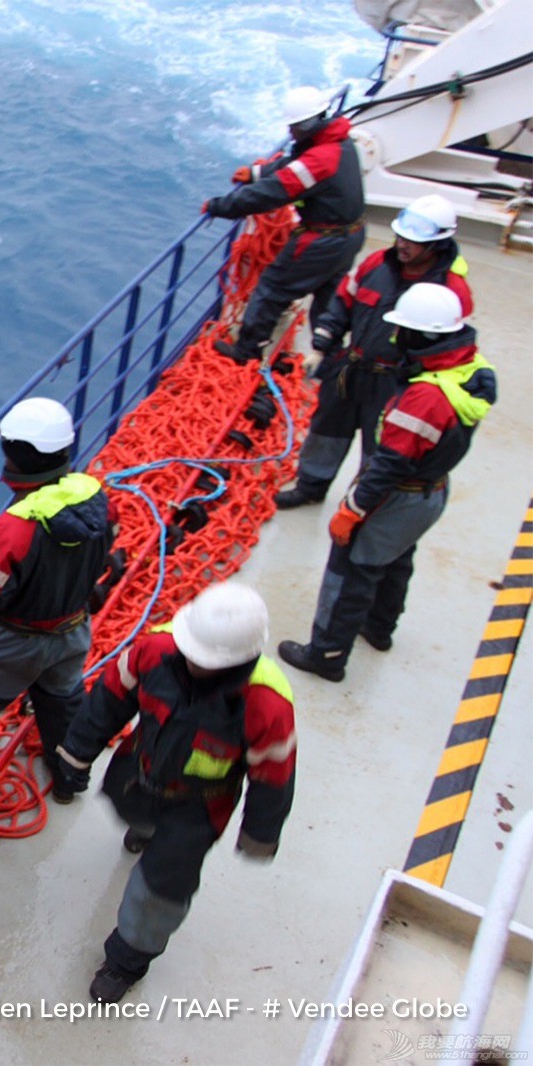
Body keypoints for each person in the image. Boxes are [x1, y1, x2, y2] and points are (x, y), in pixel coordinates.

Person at [54, 581, 296, 1004]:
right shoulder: (155, 651)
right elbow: (109, 700)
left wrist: (260, 834)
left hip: (199, 809)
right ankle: (145, 829)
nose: (194, 663)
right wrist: (77, 752)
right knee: (131, 812)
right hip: (140, 776)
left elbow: (274, 775)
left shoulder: (267, 703)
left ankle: (127, 960)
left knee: (161, 889)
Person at [278, 283, 496, 680]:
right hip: (430, 492)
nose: (396, 338)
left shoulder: (424, 400)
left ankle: (326, 655)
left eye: (403, 331)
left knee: (351, 572)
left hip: (395, 496)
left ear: (424, 336)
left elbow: (388, 466)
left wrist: (352, 510)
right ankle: (379, 629)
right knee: (396, 559)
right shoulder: (471, 369)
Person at [0, 398, 117, 804]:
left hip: (16, 643)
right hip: (74, 628)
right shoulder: (95, 499)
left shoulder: (12, 529)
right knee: (64, 701)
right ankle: (69, 777)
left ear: (15, 457)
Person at [276, 195, 475, 507]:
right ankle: (311, 487)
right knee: (326, 431)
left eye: (413, 241)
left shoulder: (450, 292)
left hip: (394, 384)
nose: (402, 245)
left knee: (380, 448)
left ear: (436, 244)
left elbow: (452, 347)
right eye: (401, 236)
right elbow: (343, 302)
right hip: (351, 370)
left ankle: (361, 502)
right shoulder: (375, 265)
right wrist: (321, 347)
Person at [203, 86, 365, 364]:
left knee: (272, 289)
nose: (290, 133)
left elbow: (272, 192)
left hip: (322, 241)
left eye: (294, 127)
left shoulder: (320, 161)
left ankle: (247, 352)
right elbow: (295, 164)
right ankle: (330, 356)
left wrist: (220, 206)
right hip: (351, 236)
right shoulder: (339, 143)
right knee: (328, 297)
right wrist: (257, 173)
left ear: (308, 124)